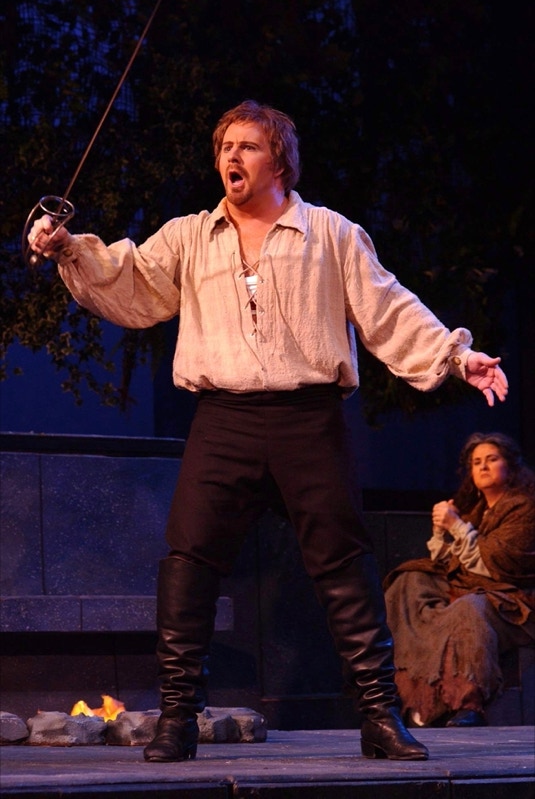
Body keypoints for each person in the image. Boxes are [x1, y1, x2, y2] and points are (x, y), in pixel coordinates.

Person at [28, 100, 509, 763]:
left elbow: (388, 307)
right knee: (188, 560)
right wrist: (69, 249)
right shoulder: (191, 235)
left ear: (279, 161)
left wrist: (456, 355)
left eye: (248, 146)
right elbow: (127, 278)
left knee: (342, 562)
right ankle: (178, 717)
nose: (232, 156)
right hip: (223, 418)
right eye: (225, 146)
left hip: (307, 418)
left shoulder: (330, 233)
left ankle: (379, 716)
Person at [383, 432, 535, 728]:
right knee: (409, 582)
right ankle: (407, 695)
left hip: (515, 602)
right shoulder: (475, 510)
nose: (483, 467)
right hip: (473, 587)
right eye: (476, 462)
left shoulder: (525, 507)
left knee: (469, 607)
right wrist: (442, 531)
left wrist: (456, 525)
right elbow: (449, 563)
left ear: (511, 466)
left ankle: (468, 703)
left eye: (492, 459)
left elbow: (499, 566)